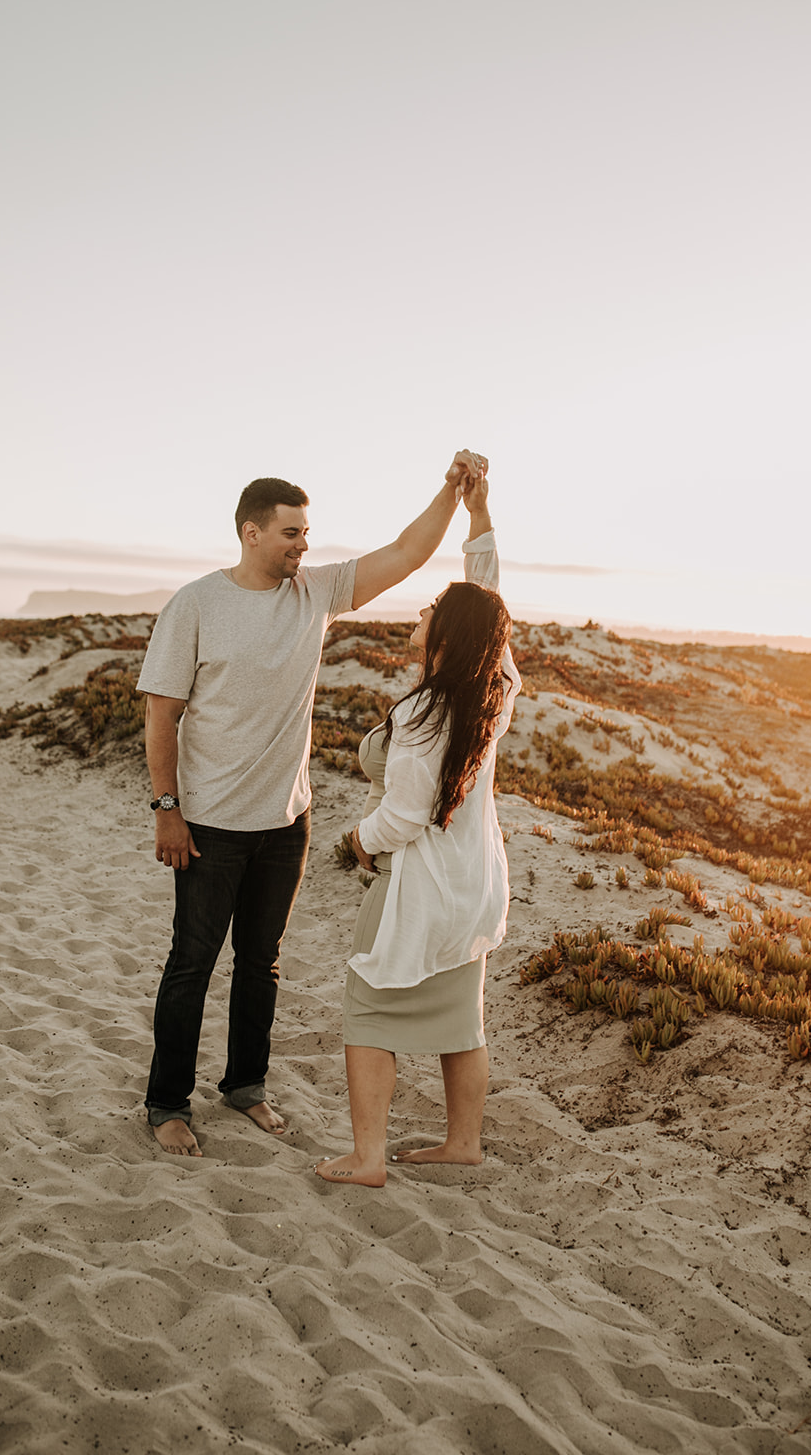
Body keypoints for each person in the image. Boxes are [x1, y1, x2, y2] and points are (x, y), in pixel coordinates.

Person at [138, 450, 487, 1158]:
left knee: (260, 961)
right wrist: (167, 809)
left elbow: (407, 551)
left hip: (284, 822)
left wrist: (454, 493)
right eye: (291, 533)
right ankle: (167, 1103)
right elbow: (161, 715)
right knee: (191, 964)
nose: (304, 545)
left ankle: (244, 1086)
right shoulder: (196, 605)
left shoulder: (315, 594)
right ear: (250, 533)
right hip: (207, 824)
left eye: (306, 533)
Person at [315, 469, 520, 1186]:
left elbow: (401, 818)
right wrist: (479, 513)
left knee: (368, 1009)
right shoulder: (495, 689)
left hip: (421, 888)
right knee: (462, 1018)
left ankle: (366, 1157)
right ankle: (461, 1144)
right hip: (476, 887)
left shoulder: (421, 713)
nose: (422, 611)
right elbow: (488, 599)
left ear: (444, 632)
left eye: (432, 605)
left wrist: (353, 843)